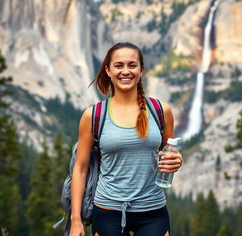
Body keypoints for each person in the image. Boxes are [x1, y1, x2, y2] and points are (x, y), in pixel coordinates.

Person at [70, 42, 183, 236]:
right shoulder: (93, 115)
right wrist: (75, 220)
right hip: (107, 210)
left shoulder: (161, 111)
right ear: (108, 70)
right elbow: (80, 169)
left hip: (153, 210)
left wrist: (177, 160)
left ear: (141, 70)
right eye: (118, 65)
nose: (126, 71)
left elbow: (169, 153)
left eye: (132, 65)